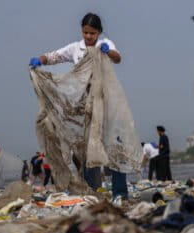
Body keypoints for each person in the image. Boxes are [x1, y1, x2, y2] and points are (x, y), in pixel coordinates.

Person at [29, 13, 122, 193]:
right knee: (85, 146)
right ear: (82, 30)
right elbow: (54, 56)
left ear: (99, 33)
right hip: (82, 104)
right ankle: (88, 187)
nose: (88, 37)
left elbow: (117, 58)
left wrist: (106, 51)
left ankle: (105, 188)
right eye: (86, 32)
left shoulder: (105, 43)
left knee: (105, 144)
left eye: (93, 33)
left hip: (103, 100)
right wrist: (39, 60)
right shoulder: (75, 48)